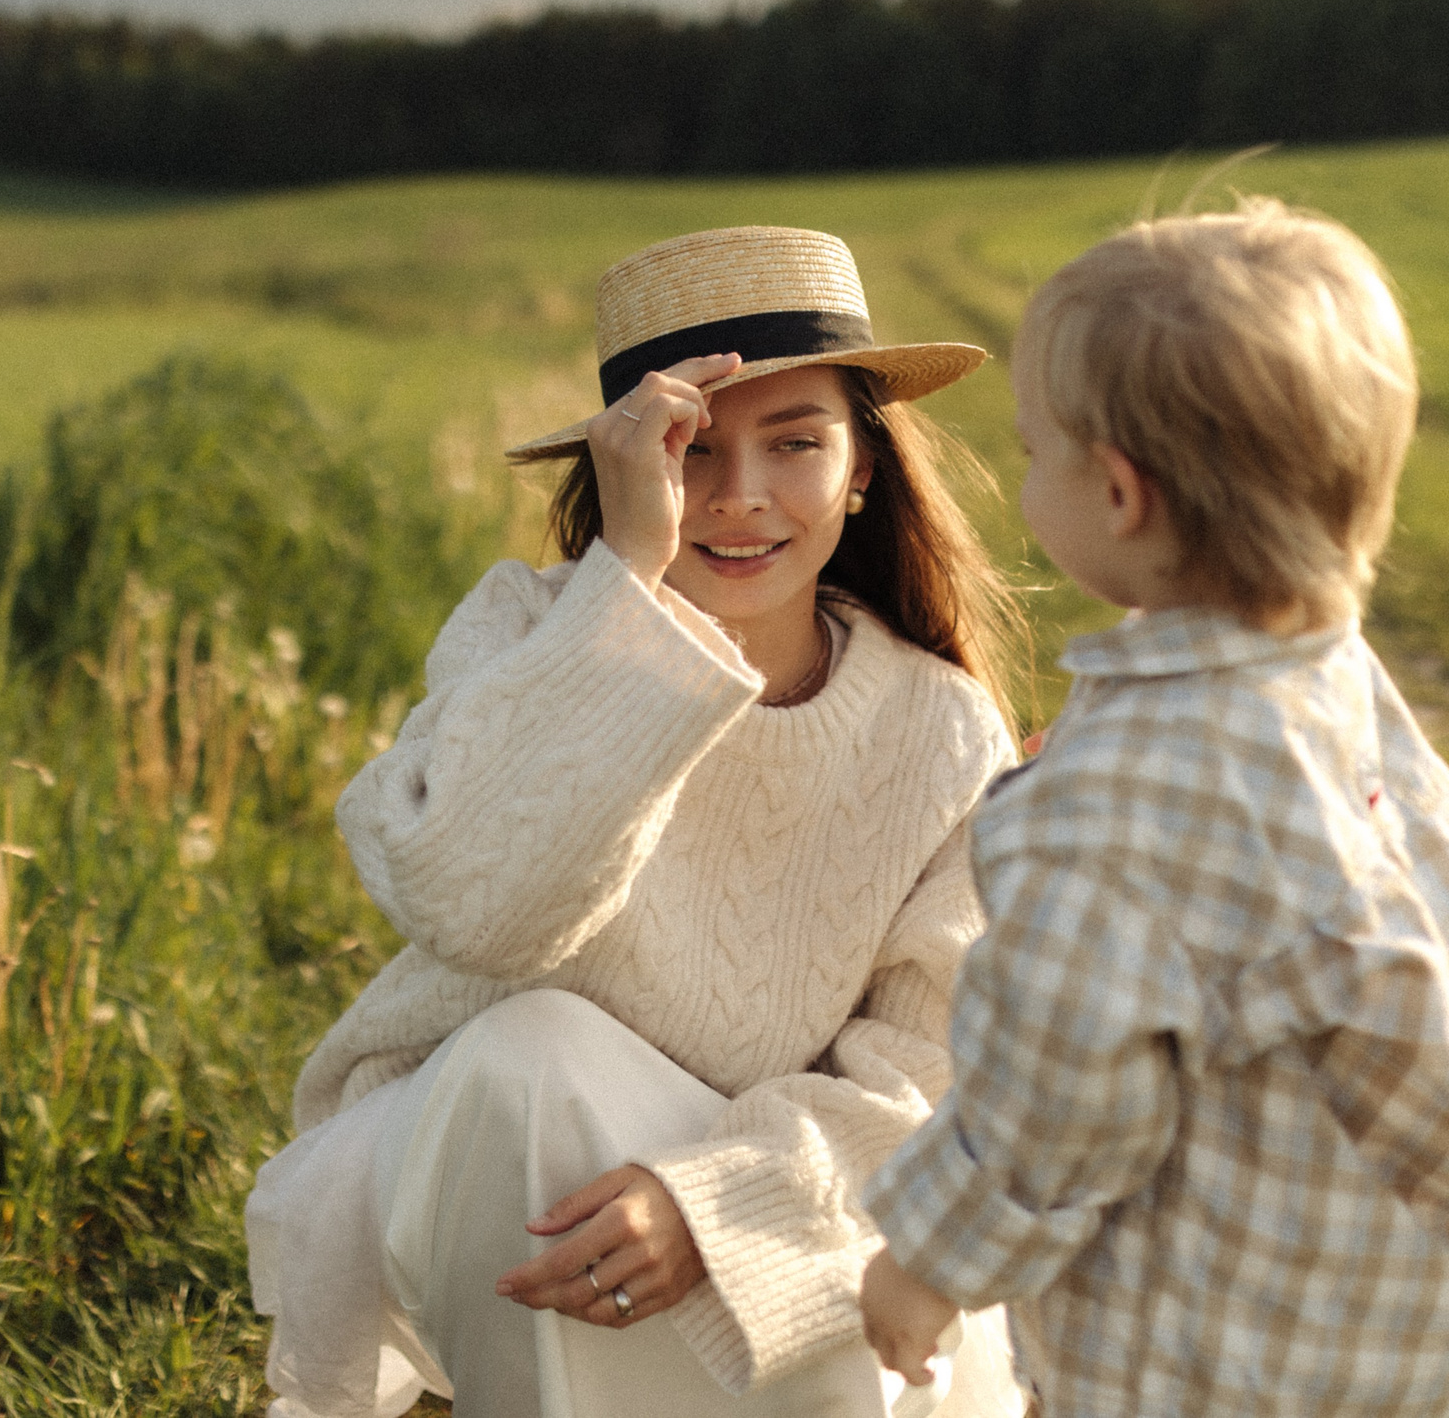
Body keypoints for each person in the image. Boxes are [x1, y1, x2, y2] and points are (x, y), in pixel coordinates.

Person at [246, 225, 1034, 1417]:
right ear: (622, 463)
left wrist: (709, 1205)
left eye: (796, 443)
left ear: (863, 466)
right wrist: (627, 587)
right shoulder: (525, 633)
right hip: (495, 1163)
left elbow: (929, 1073)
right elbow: (472, 913)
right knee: (529, 1052)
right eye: (687, 448)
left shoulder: (938, 727)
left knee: (822, 1306)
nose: (739, 495)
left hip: (781, 1188)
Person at [857, 200, 1449, 1417]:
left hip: (1202, 1340)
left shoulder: (1122, 799)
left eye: (1033, 451)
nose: (1023, 475)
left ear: (1119, 494)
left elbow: (1055, 1099)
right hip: (1362, 1282)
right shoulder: (1321, 676)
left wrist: (927, 1264)